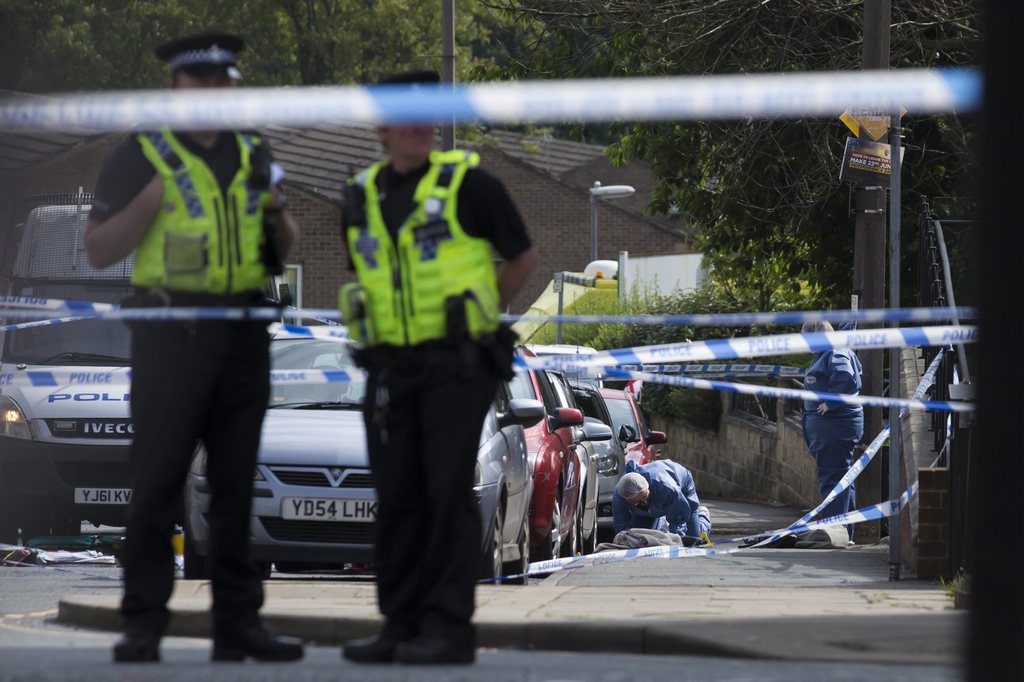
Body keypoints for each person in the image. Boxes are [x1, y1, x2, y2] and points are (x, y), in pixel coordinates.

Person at [84, 32, 303, 663]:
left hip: (241, 340)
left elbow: (280, 247)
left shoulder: (253, 150)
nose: (211, 93)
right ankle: (144, 624)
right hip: (169, 340)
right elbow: (98, 248)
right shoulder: (139, 154)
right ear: (175, 88)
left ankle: (239, 625)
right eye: (198, 81)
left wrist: (278, 210)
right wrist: (150, 200)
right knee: (155, 485)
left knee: (236, 487)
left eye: (221, 83)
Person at [338, 70, 538, 665]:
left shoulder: (468, 184)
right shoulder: (360, 194)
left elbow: (523, 256)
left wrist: (481, 315)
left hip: (458, 365)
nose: (421, 126)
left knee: (445, 492)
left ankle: (449, 630)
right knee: (398, 494)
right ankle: (398, 624)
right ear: (382, 126)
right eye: (407, 115)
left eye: (430, 114)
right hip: (390, 367)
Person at [800, 319, 864, 541]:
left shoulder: (835, 352)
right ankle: (844, 532)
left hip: (834, 428)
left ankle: (832, 532)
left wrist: (832, 403)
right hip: (830, 428)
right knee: (842, 478)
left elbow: (846, 377)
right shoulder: (828, 352)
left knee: (833, 478)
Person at [612, 460, 712, 540]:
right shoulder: (618, 498)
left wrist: (677, 541)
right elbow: (622, 529)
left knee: (693, 538)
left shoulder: (666, 488)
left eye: (645, 497)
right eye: (638, 502)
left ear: (648, 488)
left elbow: (678, 521)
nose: (644, 503)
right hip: (659, 497)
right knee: (640, 537)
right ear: (626, 499)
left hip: (682, 484)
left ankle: (702, 515)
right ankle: (661, 522)